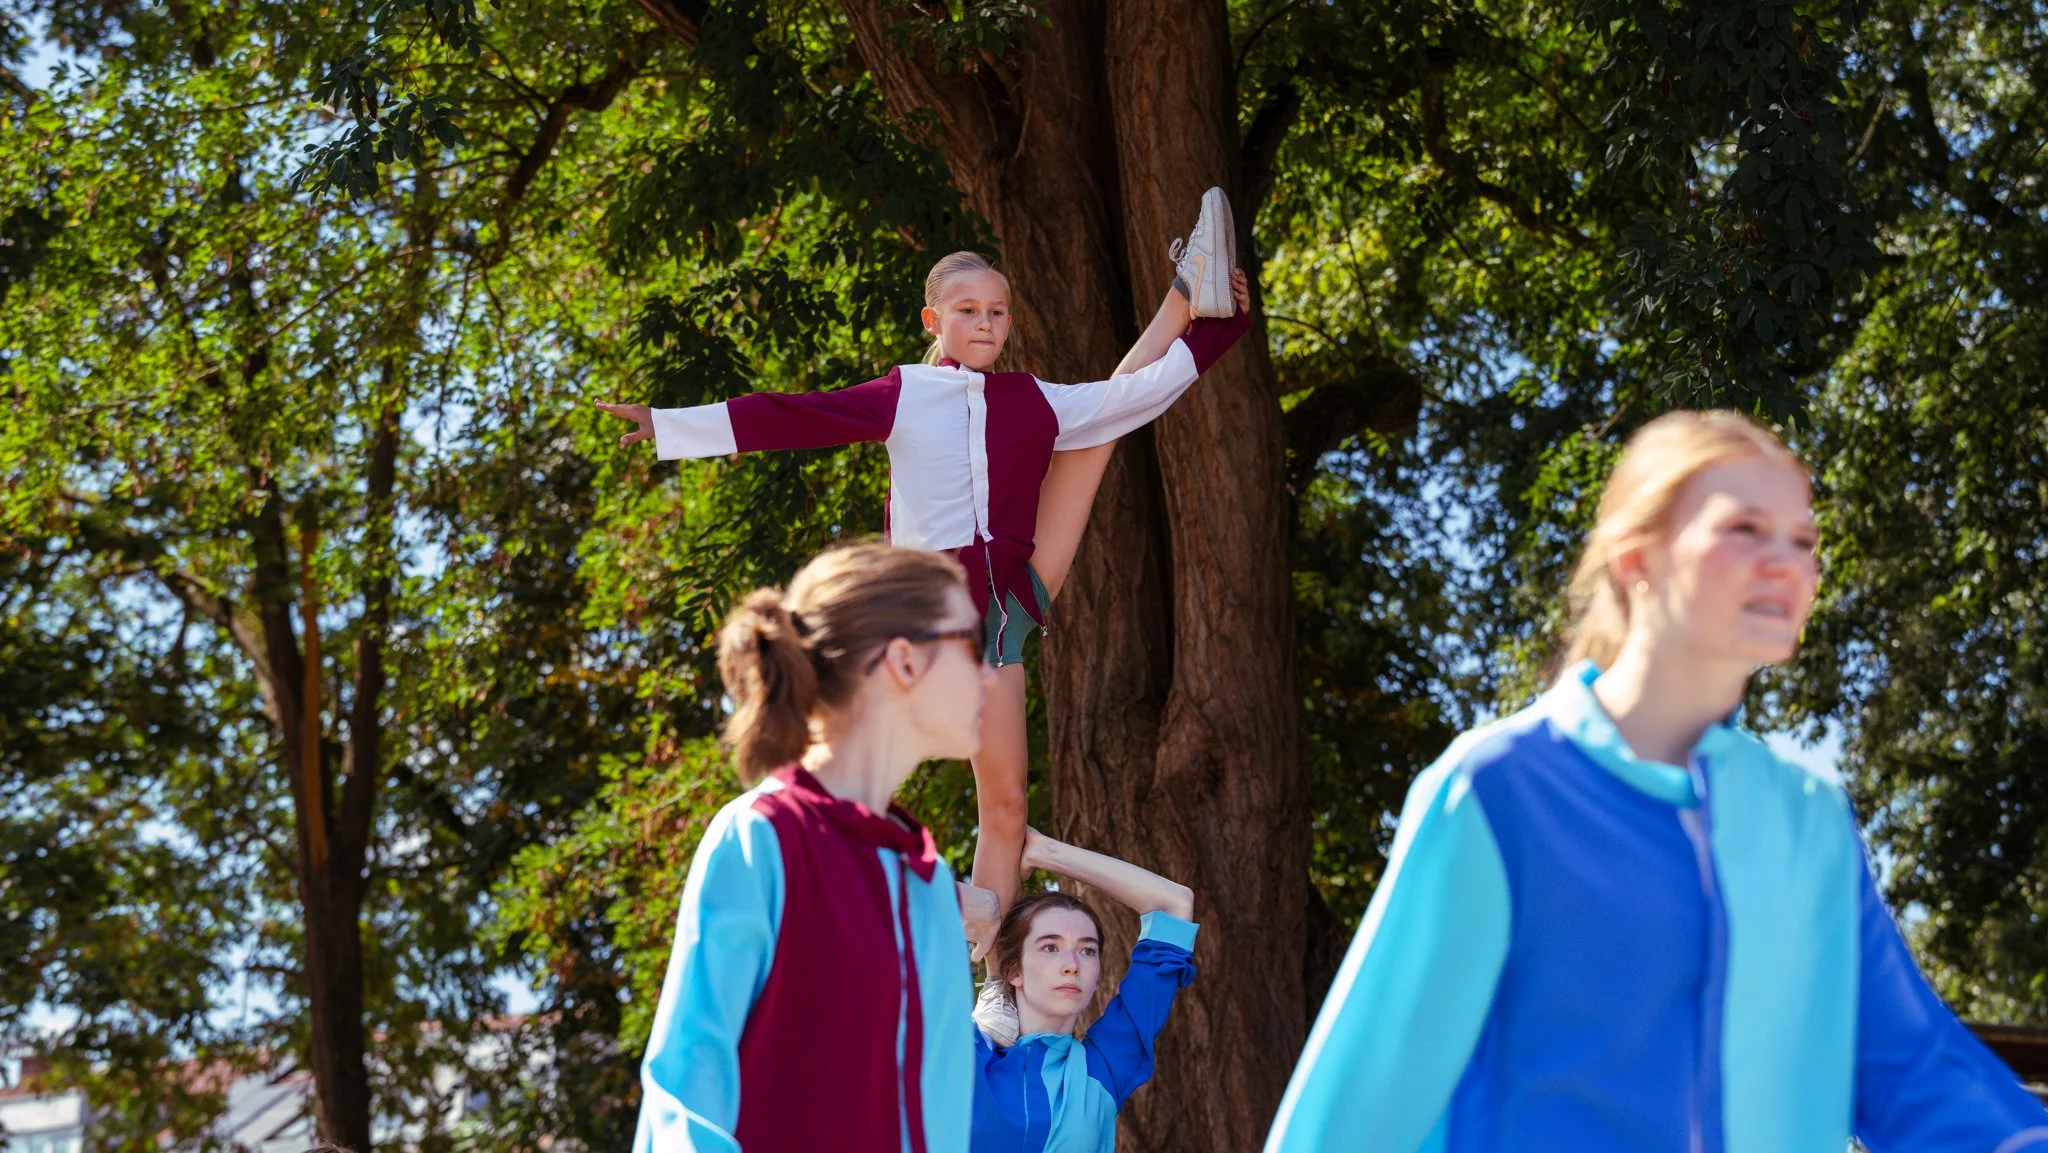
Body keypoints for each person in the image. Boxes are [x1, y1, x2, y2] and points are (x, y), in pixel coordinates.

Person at [1263, 411, 2048, 1153]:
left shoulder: (1807, 819)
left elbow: (1912, 1070)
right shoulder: (1498, 792)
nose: (1787, 560)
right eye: (1744, 529)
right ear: (1636, 557)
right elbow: (1350, 1123)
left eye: (1804, 540)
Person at [597, 187, 1255, 930]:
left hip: (1005, 604)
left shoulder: (1030, 398)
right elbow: (797, 413)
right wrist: (671, 426)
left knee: (1007, 804)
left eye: (998, 312)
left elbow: (1138, 393)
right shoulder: (904, 393)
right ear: (933, 320)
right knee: (874, 770)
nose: (986, 323)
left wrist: (1224, 330)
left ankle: (997, 994)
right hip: (929, 616)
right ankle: (843, 886)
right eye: (968, 310)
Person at [632, 541, 998, 1153]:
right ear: (904, 660)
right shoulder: (760, 837)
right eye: (973, 642)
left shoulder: (930, 878)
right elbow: (682, 1107)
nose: (990, 673)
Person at [969, 827, 1198, 1153]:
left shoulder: (1104, 1067)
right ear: (1013, 970)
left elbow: (1175, 904)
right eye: (1051, 947)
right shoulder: (967, 1051)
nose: (1072, 964)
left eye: (1087, 950)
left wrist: (1046, 852)